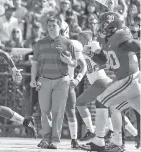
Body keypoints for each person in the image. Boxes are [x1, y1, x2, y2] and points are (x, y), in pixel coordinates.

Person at [80, 12, 140, 152]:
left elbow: (134, 45)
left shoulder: (120, 35)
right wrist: (91, 55)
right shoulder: (110, 39)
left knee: (101, 101)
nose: (101, 28)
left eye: (103, 25)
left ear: (112, 25)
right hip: (128, 79)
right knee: (115, 107)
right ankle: (117, 143)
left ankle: (98, 141)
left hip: (129, 78)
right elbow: (105, 61)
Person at [30, 16, 79, 149]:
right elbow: (34, 63)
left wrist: (69, 62)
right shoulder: (40, 43)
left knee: (58, 112)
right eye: (49, 25)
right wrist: (32, 79)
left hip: (61, 81)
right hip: (43, 80)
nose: (51, 28)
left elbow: (75, 63)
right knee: (45, 111)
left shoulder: (68, 43)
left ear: (60, 26)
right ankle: (45, 138)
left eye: (54, 26)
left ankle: (55, 140)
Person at [60, 21, 87, 149]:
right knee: (50, 112)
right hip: (52, 82)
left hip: (67, 83)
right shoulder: (49, 44)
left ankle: (74, 139)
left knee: (70, 112)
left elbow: (84, 66)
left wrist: (77, 79)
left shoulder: (72, 45)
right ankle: (49, 138)